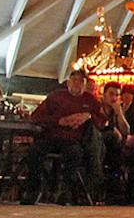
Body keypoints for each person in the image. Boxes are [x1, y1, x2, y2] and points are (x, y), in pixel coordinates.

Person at [26, 67, 104, 202]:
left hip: (73, 141)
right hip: (52, 137)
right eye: (74, 80)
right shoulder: (55, 97)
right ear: (68, 82)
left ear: (86, 84)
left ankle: (67, 191)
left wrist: (88, 116)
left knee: (75, 154)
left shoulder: (91, 100)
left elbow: (102, 121)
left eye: (81, 81)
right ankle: (34, 189)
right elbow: (36, 117)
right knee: (33, 151)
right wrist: (59, 121)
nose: (77, 84)